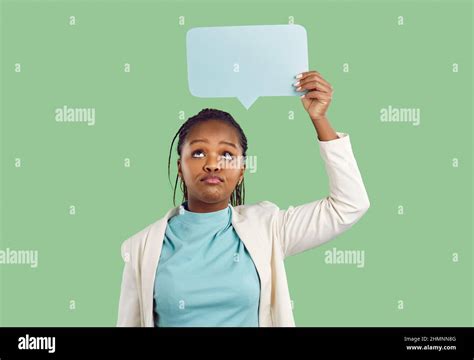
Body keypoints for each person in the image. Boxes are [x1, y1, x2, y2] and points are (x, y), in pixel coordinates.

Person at [117, 70, 370, 327]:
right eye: (198, 153)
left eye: (227, 154)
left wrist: (320, 118)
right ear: (180, 167)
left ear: (241, 171)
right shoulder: (142, 247)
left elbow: (349, 204)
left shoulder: (268, 228)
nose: (213, 164)